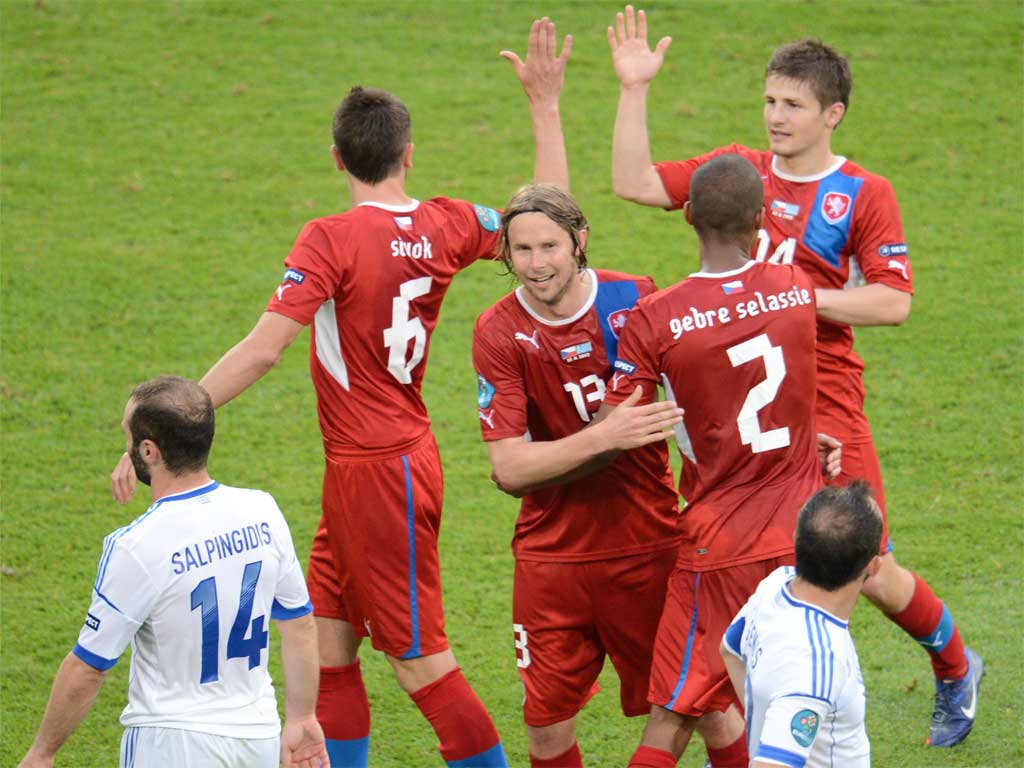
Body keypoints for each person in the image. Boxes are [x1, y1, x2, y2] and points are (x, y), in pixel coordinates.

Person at [107, 18, 572, 768]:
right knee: (328, 639)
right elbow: (547, 215)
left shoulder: (330, 238)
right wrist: (544, 105)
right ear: (408, 153)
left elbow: (264, 350)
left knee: (422, 664)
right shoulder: (447, 222)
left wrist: (161, 415)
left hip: (378, 472)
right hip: (376, 463)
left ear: (336, 157)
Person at [607, 5, 982, 747]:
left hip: (827, 400)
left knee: (865, 566)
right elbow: (634, 181)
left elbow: (894, 300)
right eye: (771, 101)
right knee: (751, 565)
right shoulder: (740, 171)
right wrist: (634, 88)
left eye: (794, 105)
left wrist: (788, 296)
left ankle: (954, 666)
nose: (776, 117)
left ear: (832, 114)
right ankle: (761, 710)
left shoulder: (862, 193)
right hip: (748, 400)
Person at [600, 154, 833, 768]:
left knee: (673, 714)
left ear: (688, 217)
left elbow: (614, 427)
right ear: (760, 221)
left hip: (721, 543)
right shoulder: (796, 289)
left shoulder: (657, 318)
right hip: (802, 538)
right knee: (788, 710)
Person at [473, 182, 687, 767]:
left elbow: (706, 389)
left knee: (703, 706)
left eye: (550, 246)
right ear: (505, 254)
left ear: (579, 240)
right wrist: (605, 437)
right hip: (552, 561)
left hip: (649, 544)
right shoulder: (497, 331)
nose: (537, 264)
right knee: (545, 730)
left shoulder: (636, 299)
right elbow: (509, 468)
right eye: (522, 250)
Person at [21, 376, 326, 768]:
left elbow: (89, 667)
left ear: (149, 451)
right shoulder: (262, 511)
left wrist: (41, 753)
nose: (126, 448)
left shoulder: (137, 546)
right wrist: (301, 716)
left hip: (172, 745)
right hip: (257, 737)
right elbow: (299, 622)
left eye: (128, 439)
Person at [720, 481, 884, 768]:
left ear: (796, 538)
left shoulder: (776, 585)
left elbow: (730, 647)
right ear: (873, 566)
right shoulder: (816, 665)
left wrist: (766, 720)